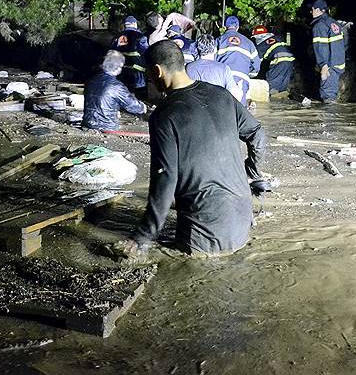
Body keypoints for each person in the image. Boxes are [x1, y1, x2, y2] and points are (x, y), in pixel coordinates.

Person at [118, 40, 267, 257]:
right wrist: (251, 172)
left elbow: (165, 179)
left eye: (148, 74)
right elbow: (257, 134)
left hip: (204, 234)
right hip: (243, 219)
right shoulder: (221, 94)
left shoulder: (165, 115)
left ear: (157, 71)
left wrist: (143, 235)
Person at [82, 50, 148, 131]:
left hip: (87, 123)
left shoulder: (91, 80)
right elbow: (132, 105)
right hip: (107, 126)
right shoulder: (116, 86)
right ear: (118, 67)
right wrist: (142, 107)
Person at [216, 16, 261, 106]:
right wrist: (248, 74)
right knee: (240, 108)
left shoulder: (219, 40)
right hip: (241, 78)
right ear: (238, 27)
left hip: (223, 77)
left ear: (225, 26)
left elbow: (212, 60)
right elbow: (256, 65)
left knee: (221, 106)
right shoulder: (249, 43)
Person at [185, 34, 243, 102]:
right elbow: (235, 96)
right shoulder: (223, 69)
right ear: (215, 49)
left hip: (193, 106)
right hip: (217, 106)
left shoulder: (188, 68)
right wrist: (239, 88)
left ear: (197, 49)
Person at [309, 0, 346, 103]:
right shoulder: (334, 23)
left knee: (328, 96)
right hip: (338, 63)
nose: (311, 12)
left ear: (317, 10)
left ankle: (329, 113)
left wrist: (323, 66)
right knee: (332, 92)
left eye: (312, 9)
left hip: (329, 66)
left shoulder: (319, 26)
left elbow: (321, 47)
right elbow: (344, 44)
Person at [251, 25, 295, 95]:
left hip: (279, 63)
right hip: (290, 62)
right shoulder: (277, 38)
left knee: (272, 84)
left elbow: (256, 61)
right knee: (283, 84)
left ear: (257, 37)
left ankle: (272, 98)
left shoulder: (262, 45)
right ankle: (281, 98)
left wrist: (250, 73)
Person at [111, 15, 149, 96]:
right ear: (135, 24)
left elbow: (111, 53)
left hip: (121, 71)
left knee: (123, 93)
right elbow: (146, 52)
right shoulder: (140, 37)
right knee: (139, 94)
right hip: (137, 72)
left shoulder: (116, 38)